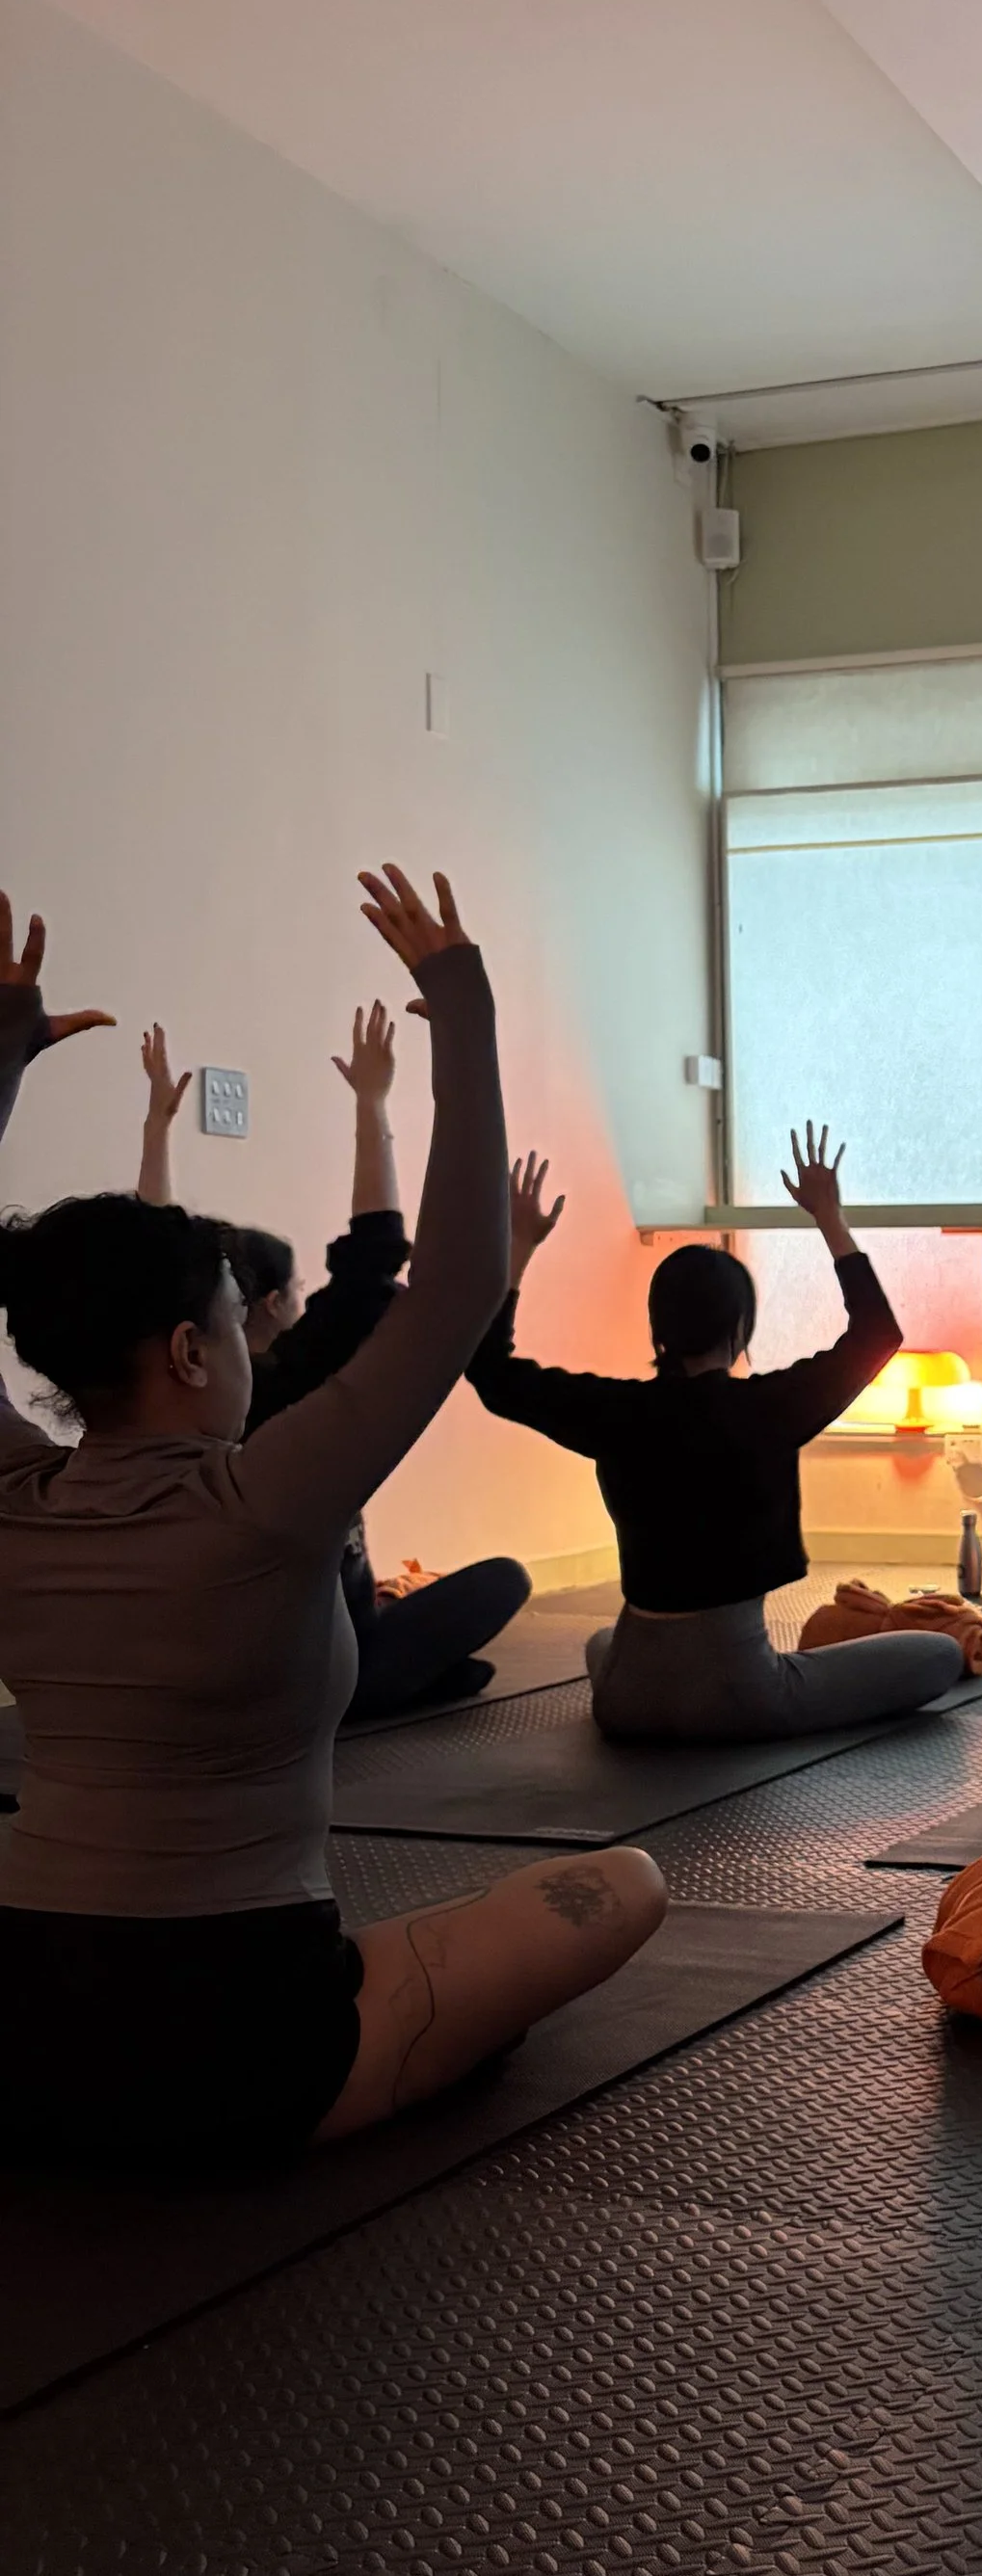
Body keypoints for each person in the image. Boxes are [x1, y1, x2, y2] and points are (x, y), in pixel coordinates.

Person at [0, 871, 664, 2169]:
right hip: (240, 2040)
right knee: (617, 1888)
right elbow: (461, 1282)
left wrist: (0, 1068)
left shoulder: (12, 1498)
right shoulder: (268, 1499)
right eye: (239, 1321)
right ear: (194, 1353)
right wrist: (459, 1007)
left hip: (19, 2020)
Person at [467, 1127, 961, 1741]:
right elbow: (877, 1335)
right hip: (740, 1695)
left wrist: (520, 1245)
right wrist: (828, 1217)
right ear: (740, 1327)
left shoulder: (616, 1411)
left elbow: (488, 1369)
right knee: (937, 1655)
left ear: (660, 1327)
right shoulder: (769, 1406)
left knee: (601, 1640)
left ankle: (652, 1676)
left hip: (625, 1699)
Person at [136, 1005, 533, 1719]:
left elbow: (151, 1285)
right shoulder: (292, 1385)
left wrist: (156, 1133)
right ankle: (384, 1678)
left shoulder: (171, 1390)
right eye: (295, 1293)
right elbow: (373, 1254)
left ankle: (395, 1664)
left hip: (219, 1656)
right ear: (269, 1304)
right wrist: (372, 1104)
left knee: (450, 1655)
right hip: (316, 1663)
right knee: (503, 1581)